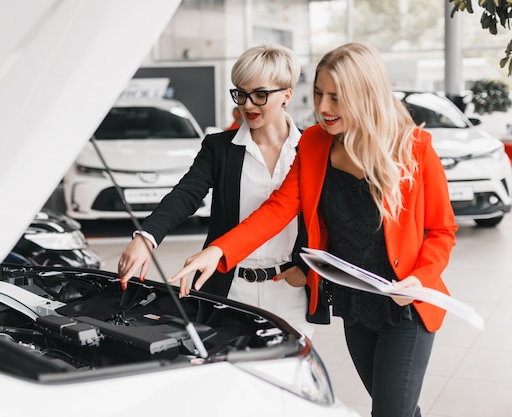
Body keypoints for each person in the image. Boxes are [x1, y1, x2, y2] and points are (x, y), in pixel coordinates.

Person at [168, 42, 458, 417]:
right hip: (356, 305)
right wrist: (218, 251)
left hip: (406, 305)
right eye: (318, 94)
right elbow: (277, 210)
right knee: (396, 409)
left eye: (336, 98)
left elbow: (442, 229)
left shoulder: (414, 147)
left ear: (364, 96)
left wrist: (421, 278)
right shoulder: (314, 144)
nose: (322, 108)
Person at [118, 44, 315, 338]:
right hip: (231, 288)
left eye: (260, 95)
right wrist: (147, 238)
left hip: (291, 291)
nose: (248, 105)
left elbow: (326, 218)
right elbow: (186, 194)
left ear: (287, 94)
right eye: (241, 93)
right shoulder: (219, 147)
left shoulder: (312, 150)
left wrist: (305, 269)